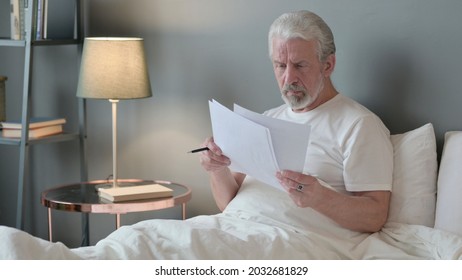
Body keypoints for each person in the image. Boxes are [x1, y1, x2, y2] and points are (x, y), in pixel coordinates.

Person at [199, 10, 393, 233]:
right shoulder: (267, 119)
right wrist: (217, 168)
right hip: (233, 227)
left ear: (328, 65)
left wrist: (319, 197)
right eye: (280, 65)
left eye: (300, 65)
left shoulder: (359, 124)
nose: (289, 78)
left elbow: (375, 217)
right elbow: (227, 203)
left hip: (290, 239)